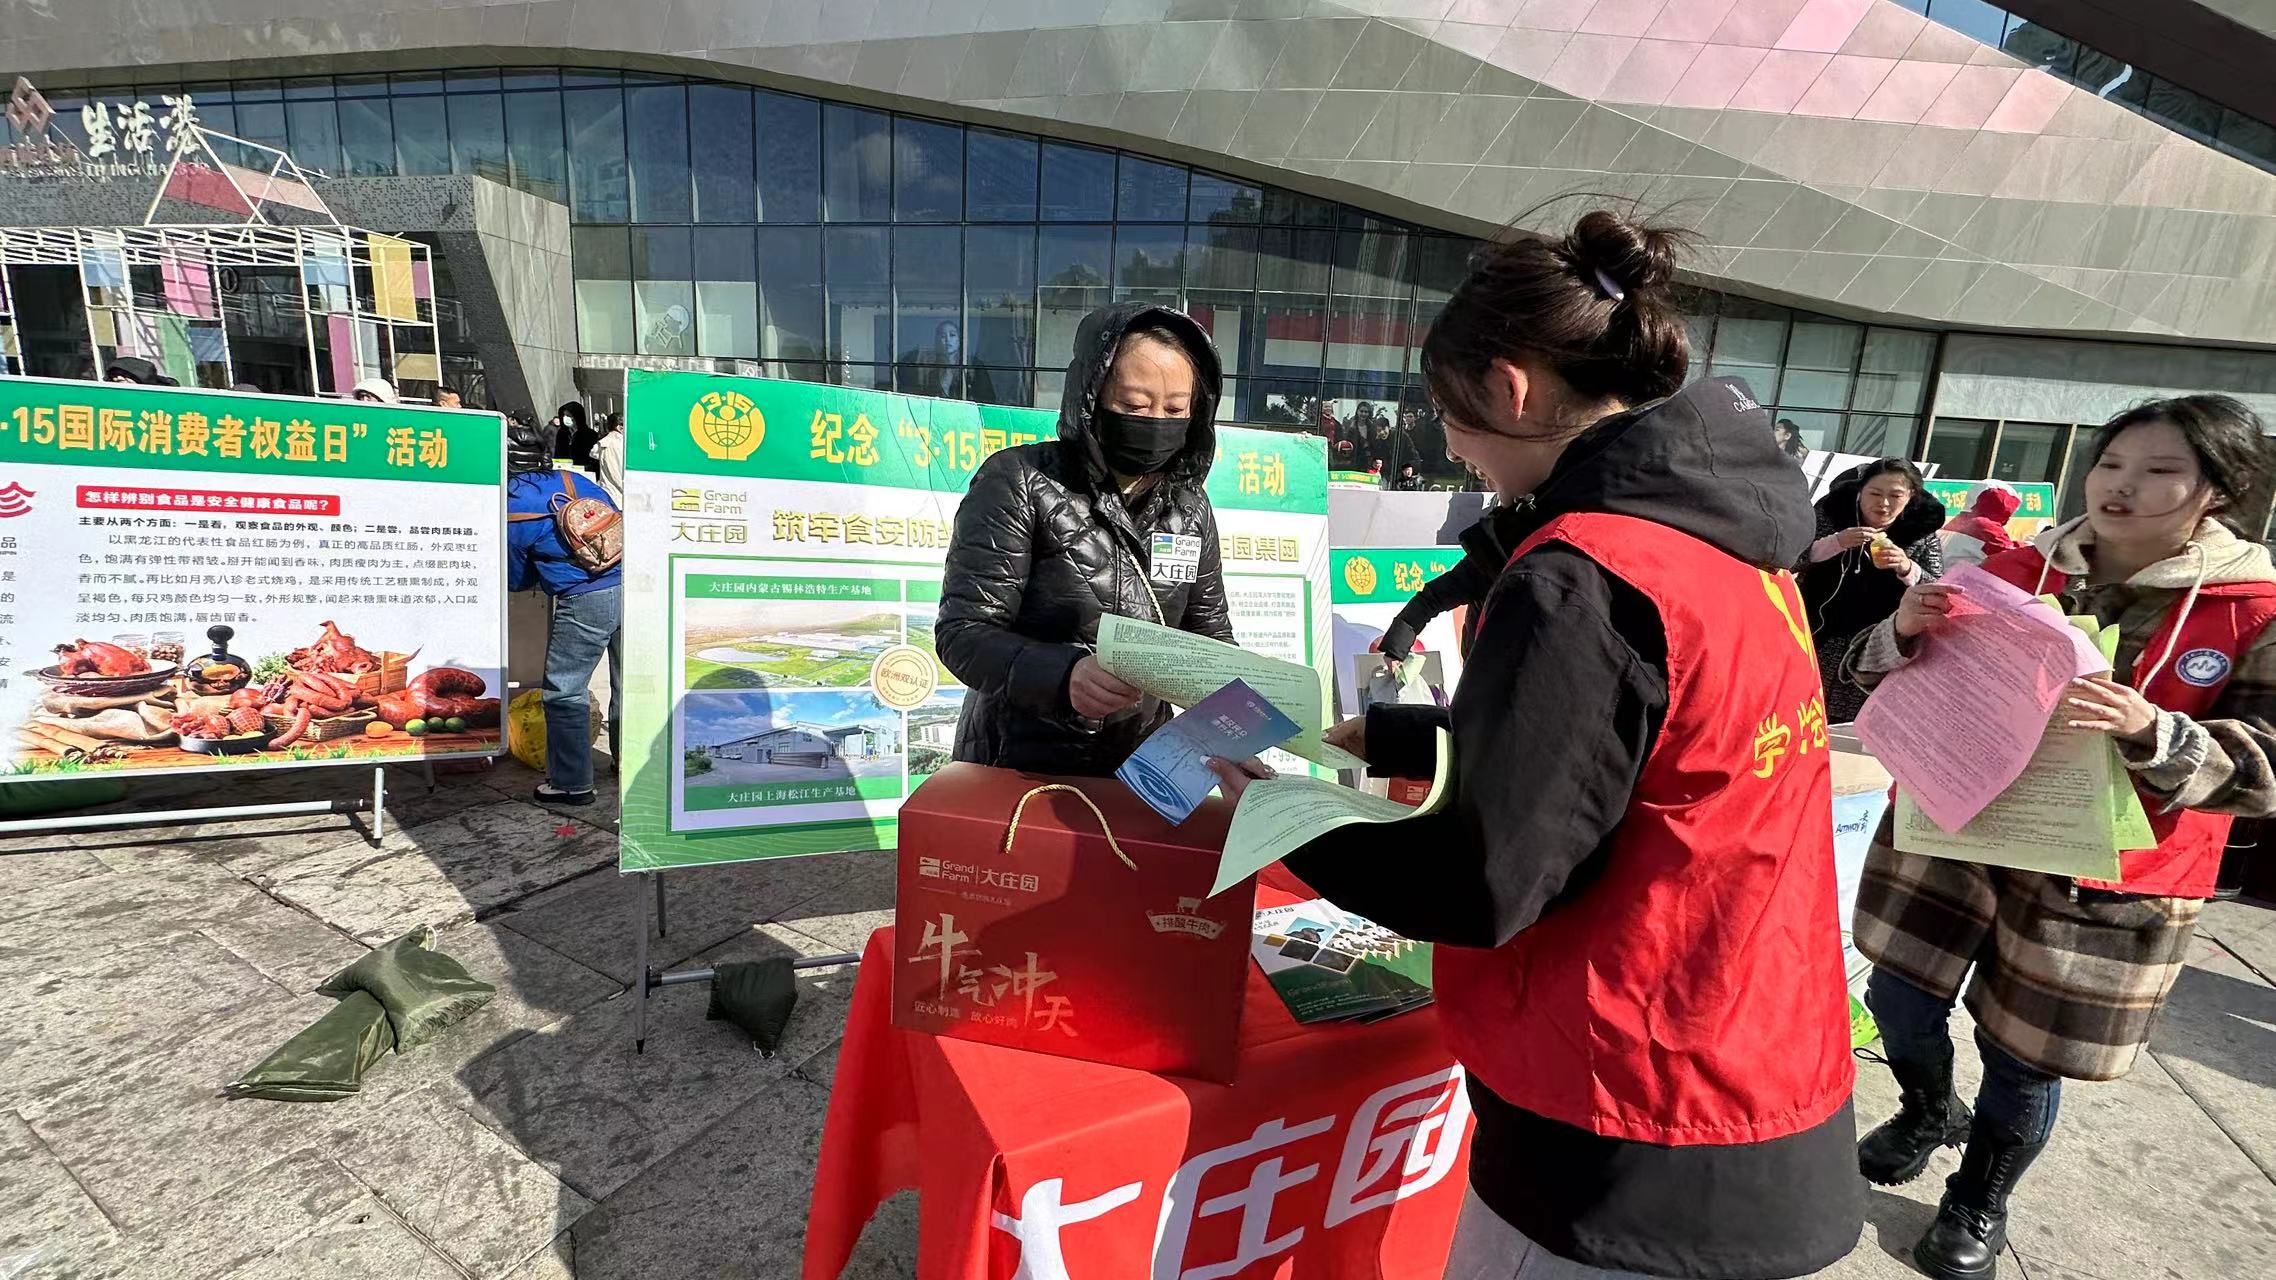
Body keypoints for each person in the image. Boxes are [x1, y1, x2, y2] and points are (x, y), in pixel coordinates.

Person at [1211, 210, 1861, 1279]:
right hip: (1755, 1061)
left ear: (1508, 390)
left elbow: (1480, 879)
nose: (1449, 446)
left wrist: (1275, 813)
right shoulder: (1733, 545)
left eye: (1445, 415)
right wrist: (1403, 733)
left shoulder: (1583, 572)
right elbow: (1656, 752)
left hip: (1619, 1121)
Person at [1846, 395, 2276, 1280]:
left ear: (2220, 491)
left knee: (2024, 1053)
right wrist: (1902, 632)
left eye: (2160, 472)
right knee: (1899, 997)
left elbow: (2265, 770)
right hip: (1955, 829)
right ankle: (1928, 1109)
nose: (2122, 486)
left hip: (2110, 871)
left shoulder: (2253, 613)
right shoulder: (2012, 569)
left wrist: (2153, 730)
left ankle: (1980, 1197)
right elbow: (1869, 674)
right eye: (2111, 464)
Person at [936, 302, 1234, 777]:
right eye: (1134, 405)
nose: (1156, 420)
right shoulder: (1020, 480)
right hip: (1022, 764)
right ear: (1092, 396)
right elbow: (963, 633)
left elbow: (1210, 638)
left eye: (1176, 408)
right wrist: (1064, 675)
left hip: (1144, 769)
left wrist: (1235, 736)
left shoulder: (1191, 508)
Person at [505, 411, 623, 806]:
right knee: (628, 682)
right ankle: (626, 762)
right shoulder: (574, 480)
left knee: (565, 690)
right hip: (633, 584)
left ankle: (572, 784)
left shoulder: (511, 503)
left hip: (585, 597)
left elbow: (517, 578)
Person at [1802, 457, 1947, 722]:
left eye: (1896, 496)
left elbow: (1936, 590)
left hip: (1875, 644)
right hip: (1815, 631)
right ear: (1860, 491)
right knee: (1803, 708)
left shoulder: (1921, 534)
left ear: (1911, 497)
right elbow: (1790, 559)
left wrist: (1907, 567)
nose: (1884, 504)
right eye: (1875, 494)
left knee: (1849, 721)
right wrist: (1836, 543)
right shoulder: (1831, 516)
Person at [1939, 480, 2022, 569]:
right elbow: (2011, 556)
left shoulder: (1959, 520)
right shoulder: (1984, 525)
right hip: (1965, 576)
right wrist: (2027, 545)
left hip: (1946, 572)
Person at [591, 411, 626, 505]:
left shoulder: (603, 442)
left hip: (607, 493)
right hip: (621, 495)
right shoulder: (620, 443)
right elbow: (618, 472)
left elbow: (593, 453)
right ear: (619, 427)